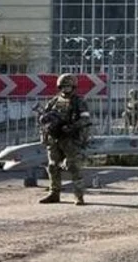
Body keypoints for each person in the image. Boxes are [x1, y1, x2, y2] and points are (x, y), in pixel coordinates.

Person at [38, 73, 91, 205]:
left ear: (73, 87)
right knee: (52, 166)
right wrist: (46, 128)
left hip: (70, 139)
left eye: (69, 87)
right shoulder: (54, 102)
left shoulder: (79, 102)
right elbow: (44, 119)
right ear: (59, 87)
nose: (66, 89)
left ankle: (79, 196)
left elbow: (85, 119)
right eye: (64, 87)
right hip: (54, 138)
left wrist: (72, 126)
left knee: (74, 167)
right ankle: (54, 193)